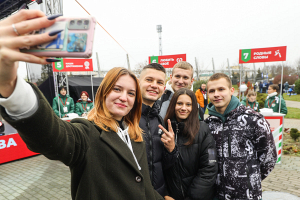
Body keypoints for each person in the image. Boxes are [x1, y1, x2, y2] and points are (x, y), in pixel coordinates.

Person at [0, 10, 163, 200]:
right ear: (103, 93)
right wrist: (10, 85)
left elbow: (144, 187)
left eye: (131, 93)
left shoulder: (135, 135)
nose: (124, 97)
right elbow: (52, 135)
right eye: (117, 89)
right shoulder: (87, 133)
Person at [204, 73, 277, 200]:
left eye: (221, 89)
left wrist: (250, 180)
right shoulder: (207, 125)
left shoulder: (253, 120)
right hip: (216, 195)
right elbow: (209, 158)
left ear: (232, 91)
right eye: (212, 91)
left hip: (246, 195)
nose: (216, 94)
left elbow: (269, 158)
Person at [162, 88, 217, 200]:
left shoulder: (203, 129)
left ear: (193, 107)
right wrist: (165, 194)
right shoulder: (163, 130)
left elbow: (210, 167)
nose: (183, 108)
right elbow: (159, 168)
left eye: (188, 104)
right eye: (179, 103)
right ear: (173, 105)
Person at [139, 63, 177, 199]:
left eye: (160, 82)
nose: (154, 85)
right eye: (149, 80)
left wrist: (171, 149)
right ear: (138, 82)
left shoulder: (160, 120)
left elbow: (162, 165)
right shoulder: (125, 118)